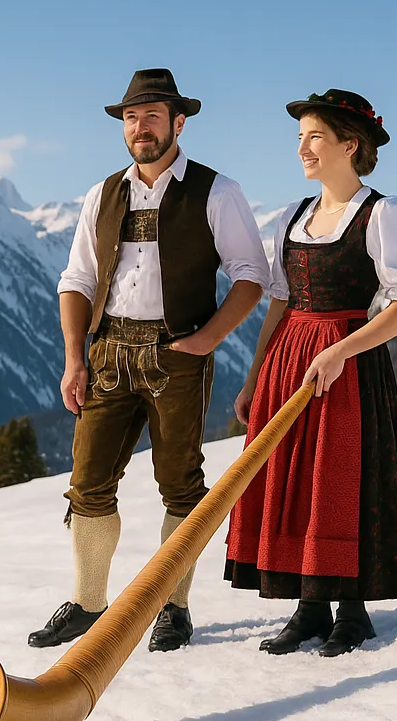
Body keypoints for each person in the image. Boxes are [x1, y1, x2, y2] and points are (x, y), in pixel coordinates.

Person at [31, 69, 268, 652]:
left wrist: (208, 339)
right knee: (87, 484)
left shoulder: (217, 191)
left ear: (178, 123)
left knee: (181, 488)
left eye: (153, 116)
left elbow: (251, 275)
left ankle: (173, 607)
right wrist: (74, 358)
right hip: (108, 353)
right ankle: (90, 604)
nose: (141, 128)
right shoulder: (102, 193)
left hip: (177, 355)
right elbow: (77, 279)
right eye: (132, 118)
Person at [225, 89, 397, 656]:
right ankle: (309, 606)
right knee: (295, 481)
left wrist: (343, 351)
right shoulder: (292, 217)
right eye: (300, 139)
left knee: (339, 479)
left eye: (314, 137)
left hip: (349, 359)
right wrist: (254, 377)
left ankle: (353, 611)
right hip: (291, 358)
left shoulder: (383, 214)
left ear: (350, 144)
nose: (302, 149)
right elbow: (280, 302)